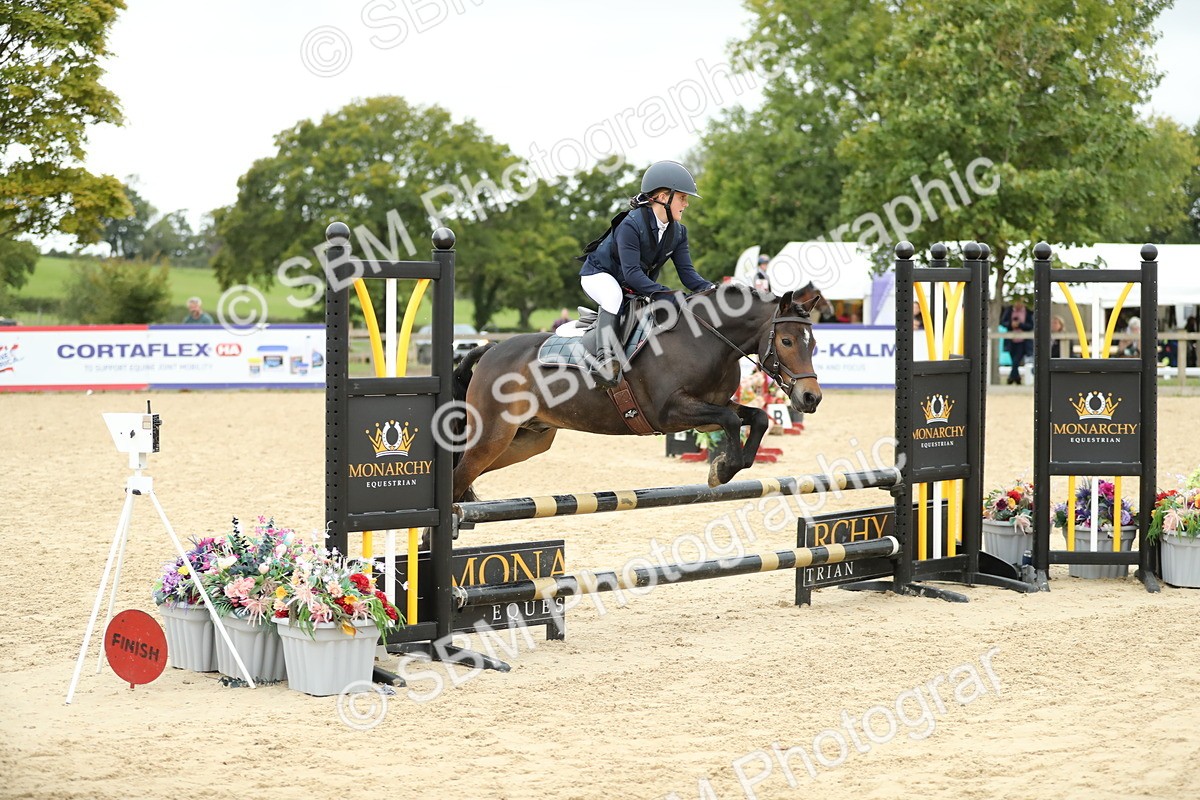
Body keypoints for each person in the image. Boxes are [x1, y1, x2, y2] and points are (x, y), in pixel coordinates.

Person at [577, 160, 716, 388]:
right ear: (663, 196)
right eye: (682, 198)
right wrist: (667, 293)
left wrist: (711, 289)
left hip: (631, 284)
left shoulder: (678, 232)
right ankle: (603, 360)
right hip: (599, 275)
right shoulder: (631, 224)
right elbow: (632, 274)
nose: (686, 204)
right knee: (613, 297)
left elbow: (688, 275)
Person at [1000, 301, 1033, 384]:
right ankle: (1016, 378)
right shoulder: (1008, 310)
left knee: (1016, 360)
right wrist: (1011, 324)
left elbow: (1031, 326)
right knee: (1014, 361)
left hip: (1023, 341)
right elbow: (1003, 322)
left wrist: (1020, 325)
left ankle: (1011, 378)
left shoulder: (1028, 312)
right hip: (1011, 340)